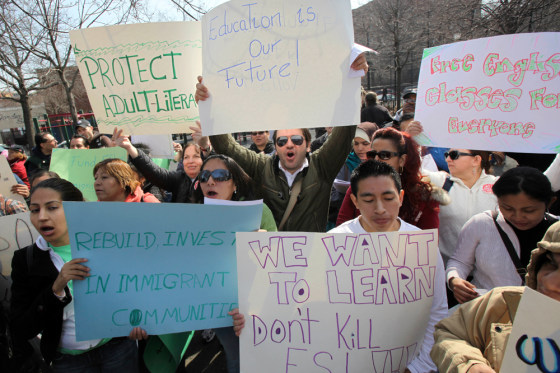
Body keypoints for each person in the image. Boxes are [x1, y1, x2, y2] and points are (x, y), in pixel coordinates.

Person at [231, 161, 447, 373]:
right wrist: (254, 319)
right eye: (369, 199)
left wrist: (417, 368)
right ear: (354, 200)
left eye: (388, 198)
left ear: (400, 198)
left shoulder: (422, 246)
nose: (380, 209)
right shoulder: (334, 243)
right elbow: (302, 305)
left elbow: (437, 313)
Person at [194, 52, 368, 232]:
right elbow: (227, 147)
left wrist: (353, 82)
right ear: (275, 148)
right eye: (282, 141)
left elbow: (345, 132)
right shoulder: (261, 167)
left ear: (308, 145)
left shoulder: (322, 165)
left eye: (297, 140)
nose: (290, 144)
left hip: (310, 257)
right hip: (271, 256)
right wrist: (210, 105)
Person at [10, 178, 138, 371]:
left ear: (75, 209)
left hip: (117, 349)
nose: (42, 217)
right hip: (68, 362)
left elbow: (134, 289)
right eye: (35, 210)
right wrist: (56, 289)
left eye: (52, 207)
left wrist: (138, 320)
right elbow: (21, 327)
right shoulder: (25, 260)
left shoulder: (107, 242)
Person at [431, 220, 560, 372]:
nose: (549, 282)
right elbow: (450, 333)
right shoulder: (503, 302)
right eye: (551, 264)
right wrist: (469, 364)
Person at [447, 167, 558, 304]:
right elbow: (460, 261)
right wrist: (454, 279)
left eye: (529, 210)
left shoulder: (556, 231)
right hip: (487, 311)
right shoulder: (481, 224)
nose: (518, 217)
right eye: (508, 208)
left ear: (550, 202)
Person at [337, 127, 441, 230]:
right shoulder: (358, 187)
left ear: (402, 160)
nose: (377, 160)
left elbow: (427, 241)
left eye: (385, 155)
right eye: (372, 155)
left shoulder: (423, 196)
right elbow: (343, 232)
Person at [424, 149, 499, 264]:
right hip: (446, 271)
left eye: (454, 155)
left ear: (476, 160)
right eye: (446, 155)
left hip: (486, 275)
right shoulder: (441, 182)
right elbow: (409, 168)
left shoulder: (498, 186)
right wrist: (413, 140)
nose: (448, 159)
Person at [115, 130, 203, 203]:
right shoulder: (178, 179)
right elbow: (153, 171)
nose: (190, 161)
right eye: (186, 157)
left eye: (196, 156)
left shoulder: (212, 177)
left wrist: (205, 147)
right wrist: (130, 148)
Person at [93, 158, 160, 203]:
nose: (97, 183)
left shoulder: (148, 202)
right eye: (96, 178)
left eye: (104, 177)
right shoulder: (95, 210)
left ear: (123, 181)